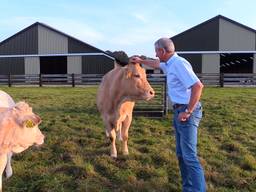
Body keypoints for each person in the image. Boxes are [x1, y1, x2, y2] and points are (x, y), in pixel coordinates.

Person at [131, 37, 206, 192]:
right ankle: (188, 188)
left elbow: (197, 86)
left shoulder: (179, 64)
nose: (155, 54)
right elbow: (157, 63)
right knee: (181, 155)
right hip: (179, 111)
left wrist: (188, 111)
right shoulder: (170, 63)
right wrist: (141, 60)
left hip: (186, 112)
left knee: (189, 157)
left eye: (156, 51)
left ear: (162, 51)